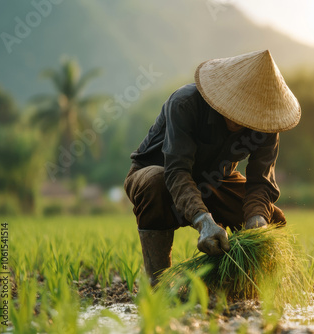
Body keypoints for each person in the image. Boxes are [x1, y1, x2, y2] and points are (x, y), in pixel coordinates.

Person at [124, 50, 301, 285]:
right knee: (156, 180)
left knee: (272, 221)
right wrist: (203, 221)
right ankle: (159, 284)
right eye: (235, 110)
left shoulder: (267, 123)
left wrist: (256, 220)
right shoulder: (185, 103)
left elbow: (261, 182)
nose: (239, 121)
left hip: (216, 180)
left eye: (249, 115)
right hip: (161, 174)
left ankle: (237, 284)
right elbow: (176, 171)